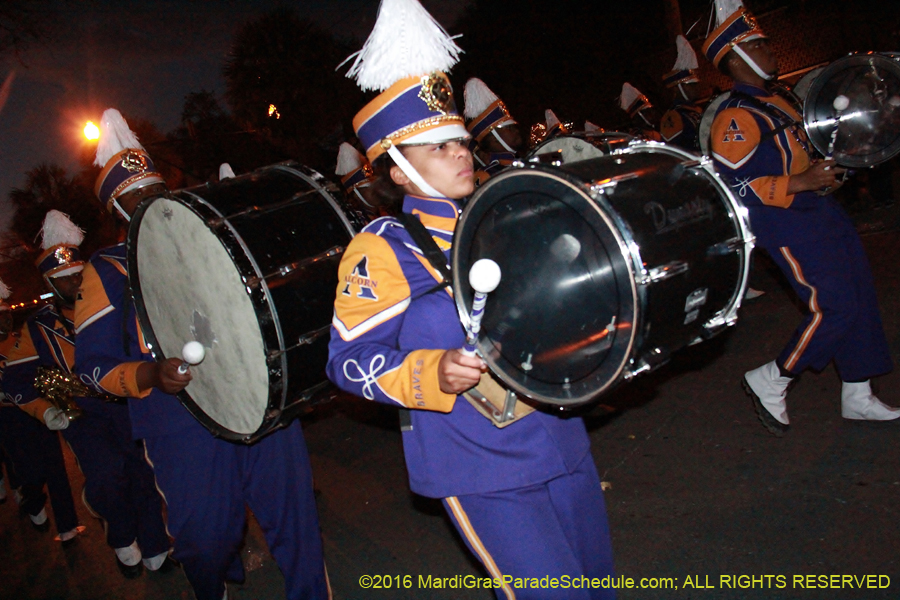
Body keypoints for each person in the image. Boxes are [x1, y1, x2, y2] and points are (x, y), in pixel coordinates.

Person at [327, 1, 615, 597]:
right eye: (438, 147)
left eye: (459, 141)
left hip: (560, 437)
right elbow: (347, 362)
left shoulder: (505, 216)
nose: (461, 153)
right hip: (478, 458)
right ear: (400, 171)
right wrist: (431, 370)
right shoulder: (382, 248)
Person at [76, 108, 328, 600]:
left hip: (260, 395)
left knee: (296, 522)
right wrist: (150, 373)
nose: (150, 201)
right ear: (115, 210)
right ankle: (215, 583)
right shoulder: (104, 272)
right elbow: (92, 369)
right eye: (135, 197)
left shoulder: (209, 237)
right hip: (179, 421)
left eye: (154, 191)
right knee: (204, 540)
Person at [704, 0, 898, 435]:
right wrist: (800, 184)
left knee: (859, 292)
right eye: (758, 43)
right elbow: (731, 184)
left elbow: (806, 156)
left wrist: (830, 173)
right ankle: (773, 377)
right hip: (784, 221)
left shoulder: (781, 101)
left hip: (819, 210)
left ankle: (858, 392)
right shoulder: (736, 116)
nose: (769, 49)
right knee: (834, 304)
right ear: (736, 58)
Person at [6, 210, 171, 566]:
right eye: (64, 279)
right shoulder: (37, 328)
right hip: (83, 414)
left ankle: (155, 543)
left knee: (143, 472)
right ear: (50, 283)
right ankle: (122, 534)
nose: (76, 283)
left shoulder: (110, 302)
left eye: (78, 274)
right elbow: (13, 379)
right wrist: (45, 409)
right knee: (108, 476)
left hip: (126, 402)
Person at [463, 78, 524, 184]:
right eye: (508, 128)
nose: (516, 131)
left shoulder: (524, 165)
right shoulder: (486, 177)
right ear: (494, 140)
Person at [659, 35, 705, 152]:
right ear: (678, 88)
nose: (697, 88)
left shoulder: (697, 110)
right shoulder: (673, 117)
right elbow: (674, 152)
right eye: (691, 85)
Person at [335, 141, 380, 222]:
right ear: (356, 195)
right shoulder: (358, 223)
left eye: (375, 185)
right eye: (368, 188)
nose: (376, 190)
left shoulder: (389, 211)